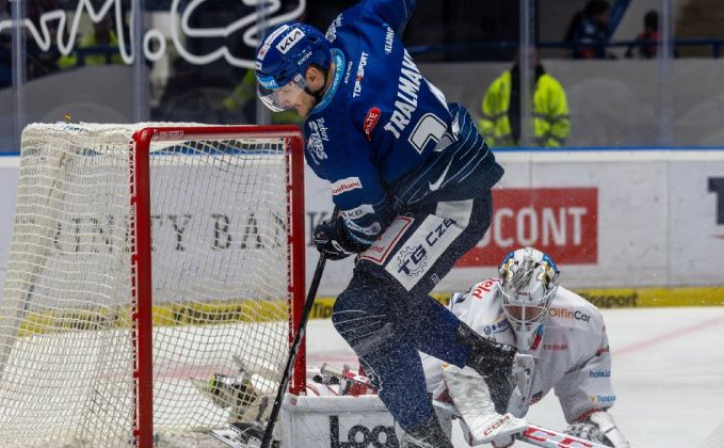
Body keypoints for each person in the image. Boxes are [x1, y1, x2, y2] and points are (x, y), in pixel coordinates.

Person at [254, 1, 514, 446]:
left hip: (452, 203)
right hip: (448, 181)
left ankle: (424, 435)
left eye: (283, 91)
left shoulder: (328, 138)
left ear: (313, 77)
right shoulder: (359, 26)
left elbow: (367, 223)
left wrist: (341, 235)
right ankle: (489, 362)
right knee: (379, 299)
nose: (280, 103)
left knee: (361, 311)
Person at [422, 247, 630, 447]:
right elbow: (466, 404)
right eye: (513, 307)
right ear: (500, 294)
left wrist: (592, 420)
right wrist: (477, 409)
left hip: (494, 376)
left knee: (596, 424)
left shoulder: (583, 321)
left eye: (530, 310)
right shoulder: (482, 319)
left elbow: (589, 397)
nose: (521, 319)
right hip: (442, 363)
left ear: (550, 298)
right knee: (422, 416)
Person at [478, 50, 570, 148]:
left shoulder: (551, 87)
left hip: (541, 155)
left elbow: (561, 123)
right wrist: (492, 150)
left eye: (531, 56)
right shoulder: (499, 86)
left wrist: (548, 151)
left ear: (538, 59)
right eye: (523, 56)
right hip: (503, 155)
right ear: (516, 58)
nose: (527, 60)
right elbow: (485, 121)